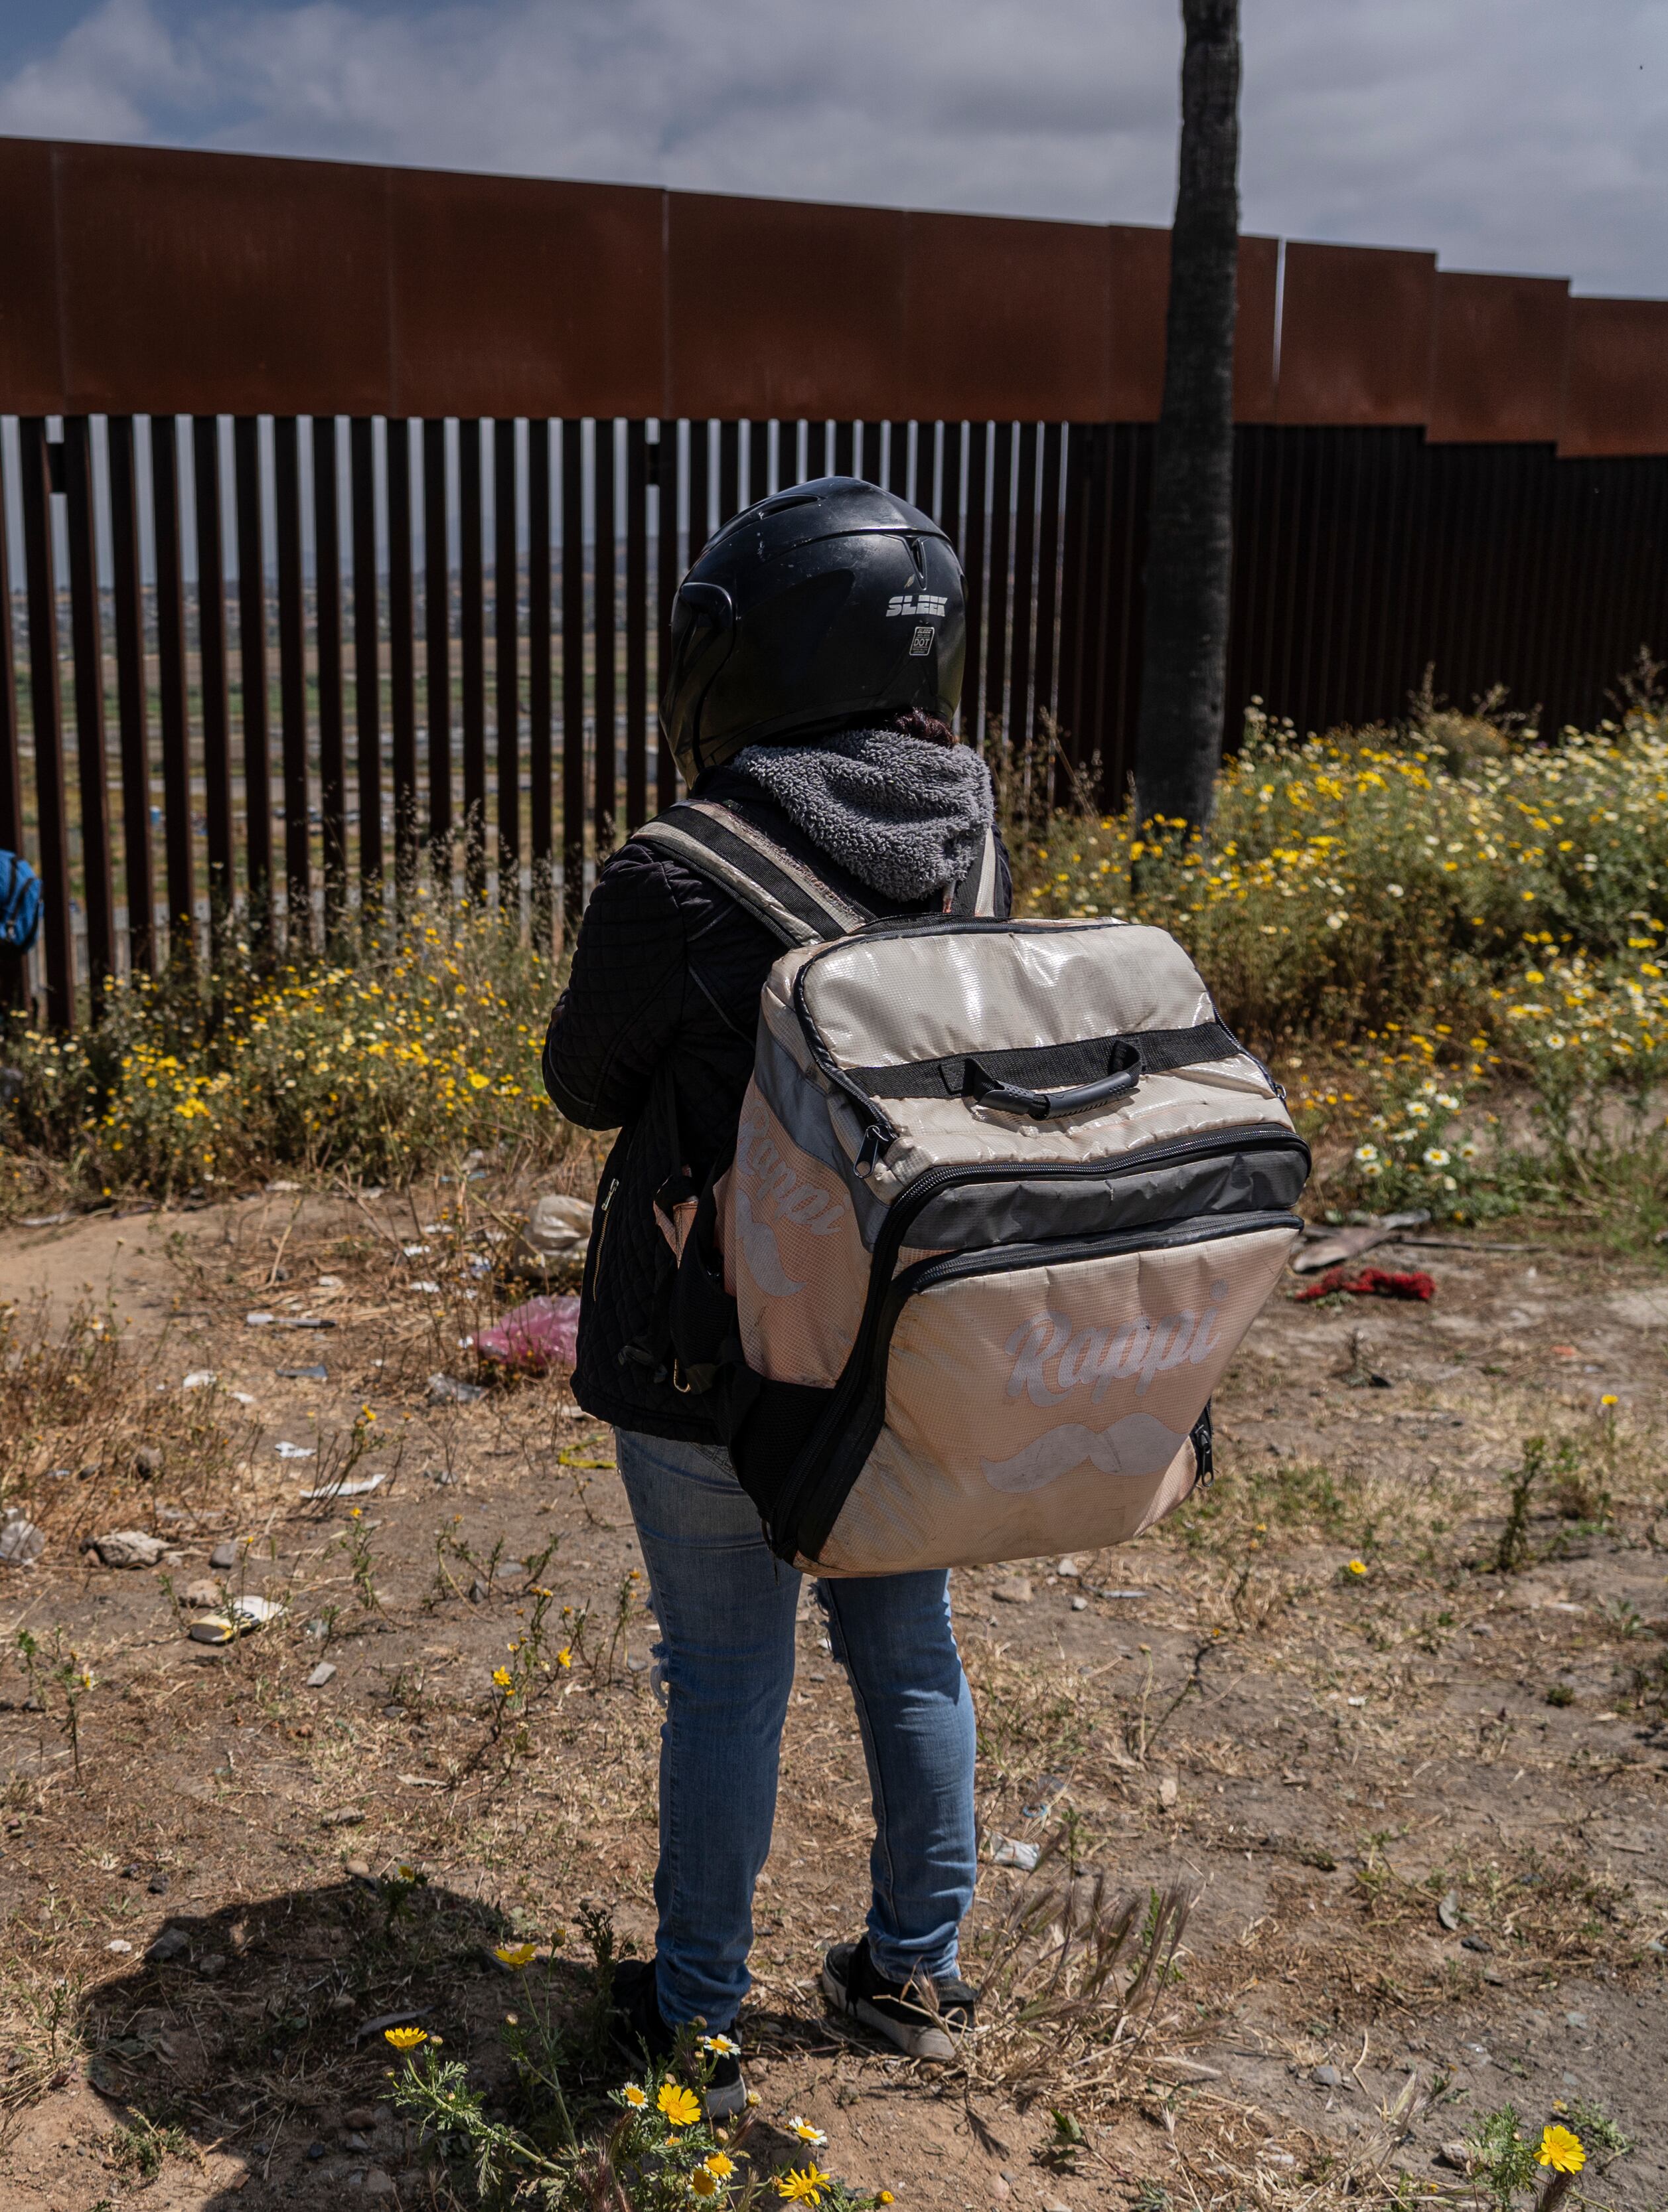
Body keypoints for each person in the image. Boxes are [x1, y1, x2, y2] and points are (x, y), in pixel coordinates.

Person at [540, 479, 1002, 2115]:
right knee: (911, 1647)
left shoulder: (676, 869)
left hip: (707, 1347)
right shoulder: (961, 821)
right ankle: (910, 1971)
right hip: (903, 1330)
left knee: (727, 1678)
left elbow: (585, 1084)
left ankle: (695, 2020)